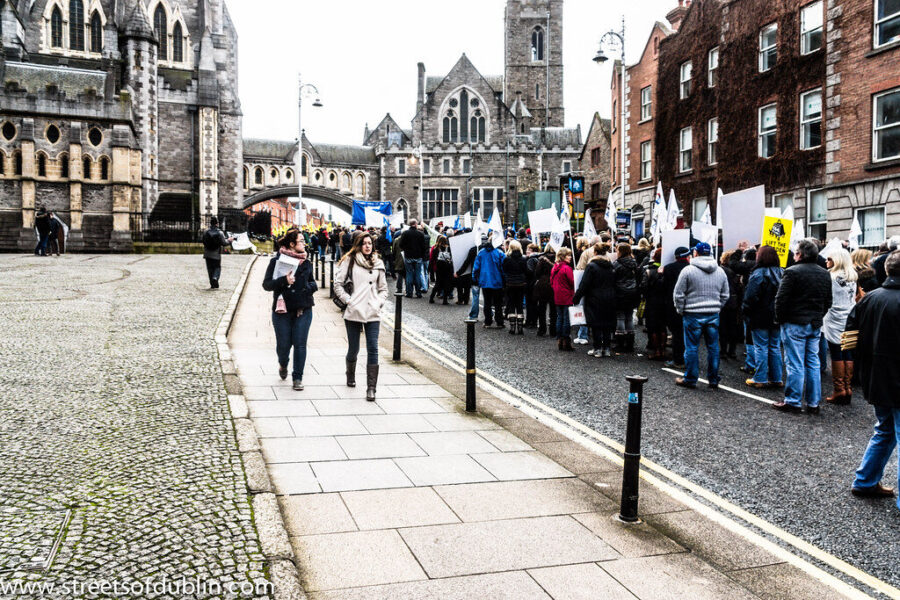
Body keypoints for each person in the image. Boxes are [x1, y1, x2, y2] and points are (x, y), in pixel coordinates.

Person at [847, 250, 900, 504]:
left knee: (885, 430)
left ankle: (865, 481)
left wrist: (863, 367)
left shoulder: (869, 299)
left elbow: (849, 340)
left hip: (876, 379)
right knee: (887, 431)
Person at [772, 238, 833, 413]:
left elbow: (781, 299)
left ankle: (793, 401)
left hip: (794, 322)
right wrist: (818, 316)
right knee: (812, 362)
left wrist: (780, 319)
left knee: (795, 363)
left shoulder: (792, 272)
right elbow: (828, 300)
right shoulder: (824, 273)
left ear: (799, 254)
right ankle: (813, 403)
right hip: (814, 322)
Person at [335, 232, 389, 401]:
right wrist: (348, 300)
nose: (368, 246)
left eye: (370, 243)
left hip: (372, 312)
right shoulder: (349, 261)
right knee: (354, 349)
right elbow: (338, 284)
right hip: (354, 311)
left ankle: (371, 388)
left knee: (373, 348)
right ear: (358, 245)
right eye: (364, 243)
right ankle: (350, 374)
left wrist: (378, 302)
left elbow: (384, 289)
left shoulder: (378, 263)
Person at [262, 231, 317, 391]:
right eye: (301, 241)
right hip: (282, 310)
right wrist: (283, 281)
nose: (304, 243)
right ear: (292, 244)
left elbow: (313, 283)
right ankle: (283, 364)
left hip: (303, 308)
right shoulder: (277, 261)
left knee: (300, 344)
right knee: (284, 345)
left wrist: (308, 288)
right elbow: (267, 284)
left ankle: (297, 378)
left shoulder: (306, 262)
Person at [673, 242, 730, 389]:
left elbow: (678, 294)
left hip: (692, 313)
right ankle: (713, 379)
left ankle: (690, 378)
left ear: (696, 253)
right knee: (713, 347)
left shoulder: (688, 270)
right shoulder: (720, 271)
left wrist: (681, 310)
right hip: (713, 314)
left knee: (691, 347)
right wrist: (717, 307)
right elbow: (725, 295)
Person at [741, 246, 784, 389]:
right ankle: (776, 378)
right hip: (777, 315)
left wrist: (746, 311)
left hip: (759, 315)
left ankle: (760, 378)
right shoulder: (782, 272)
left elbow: (750, 297)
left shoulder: (758, 274)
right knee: (775, 347)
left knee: (761, 347)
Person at [822, 249, 858, 405]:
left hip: (834, 318)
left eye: (829, 259)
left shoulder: (830, 277)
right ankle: (847, 388)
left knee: (836, 353)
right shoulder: (853, 276)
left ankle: (839, 389)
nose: (826, 261)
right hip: (850, 318)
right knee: (848, 352)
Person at [574, 245, 617, 357]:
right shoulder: (611, 266)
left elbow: (584, 284)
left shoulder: (591, 266)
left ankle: (597, 348)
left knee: (596, 323)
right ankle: (607, 349)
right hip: (610, 297)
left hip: (594, 297)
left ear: (595, 252)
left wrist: (576, 297)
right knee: (607, 323)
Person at [663, 247, 692, 367]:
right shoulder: (692, 269)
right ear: (687, 256)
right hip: (690, 304)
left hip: (672, 304)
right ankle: (688, 359)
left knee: (677, 334)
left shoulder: (669, 268)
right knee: (689, 335)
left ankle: (678, 360)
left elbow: (664, 286)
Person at [612, 243, 641, 353]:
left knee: (620, 316)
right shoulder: (634, 263)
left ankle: (620, 343)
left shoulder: (617, 264)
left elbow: (613, 278)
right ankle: (630, 344)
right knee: (629, 316)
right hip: (632, 292)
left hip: (620, 292)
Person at [640, 248, 668, 360]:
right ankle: (663, 350)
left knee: (652, 328)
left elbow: (643, 287)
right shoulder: (668, 270)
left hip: (652, 302)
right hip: (665, 302)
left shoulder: (648, 271)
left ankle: (656, 351)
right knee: (662, 327)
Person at [472, 236, 506, 328]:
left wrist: (474, 278)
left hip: (485, 281)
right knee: (498, 303)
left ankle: (488, 321)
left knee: (487, 303)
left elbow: (476, 268)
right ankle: (499, 322)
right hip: (497, 281)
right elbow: (504, 268)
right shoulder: (500, 253)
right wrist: (505, 279)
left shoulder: (481, 253)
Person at [551, 247, 575, 351]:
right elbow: (572, 282)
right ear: (563, 256)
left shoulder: (554, 268)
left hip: (557, 296)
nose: (570, 257)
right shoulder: (567, 268)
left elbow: (551, 282)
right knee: (566, 319)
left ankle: (560, 340)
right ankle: (566, 341)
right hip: (567, 296)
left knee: (559, 318)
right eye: (568, 255)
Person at [503, 240, 528, 335]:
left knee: (511, 304)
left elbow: (504, 270)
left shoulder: (507, 259)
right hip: (521, 284)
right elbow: (525, 270)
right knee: (520, 304)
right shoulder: (523, 259)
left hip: (510, 284)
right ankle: (520, 328)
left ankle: (512, 327)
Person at [202, 216, 235, 289]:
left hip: (207, 253)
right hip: (216, 254)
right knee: (217, 267)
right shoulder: (220, 232)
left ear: (210, 223)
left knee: (210, 269)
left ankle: (212, 284)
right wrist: (229, 240)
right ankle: (215, 278)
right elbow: (224, 243)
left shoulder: (206, 232)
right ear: (217, 224)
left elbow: (203, 241)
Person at [399, 219, 428, 298]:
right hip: (418, 257)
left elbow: (401, 244)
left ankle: (409, 293)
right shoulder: (420, 234)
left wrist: (406, 249)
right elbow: (424, 247)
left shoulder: (405, 233)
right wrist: (421, 255)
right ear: (415, 224)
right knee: (417, 275)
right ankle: (418, 293)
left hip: (408, 256)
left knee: (409, 275)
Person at [533, 247, 556, 337]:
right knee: (553, 309)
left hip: (543, 285)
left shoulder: (542, 259)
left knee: (542, 308)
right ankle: (553, 330)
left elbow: (537, 273)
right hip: (553, 284)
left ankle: (542, 329)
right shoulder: (557, 258)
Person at [429, 236, 454, 305]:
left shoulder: (435, 248)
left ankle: (431, 297)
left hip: (439, 267)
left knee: (438, 283)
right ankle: (445, 300)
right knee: (446, 283)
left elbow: (432, 259)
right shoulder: (448, 248)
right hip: (447, 268)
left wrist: (431, 268)